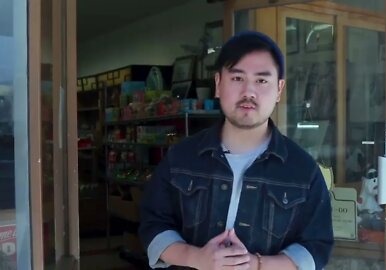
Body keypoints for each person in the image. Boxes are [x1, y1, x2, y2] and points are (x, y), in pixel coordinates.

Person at [139, 31, 334, 270]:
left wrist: (256, 265)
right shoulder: (181, 158)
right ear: (218, 84)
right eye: (237, 78)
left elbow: (315, 248)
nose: (248, 92)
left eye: (262, 81)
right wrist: (196, 258)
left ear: (279, 90)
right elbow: (154, 224)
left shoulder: (303, 171)